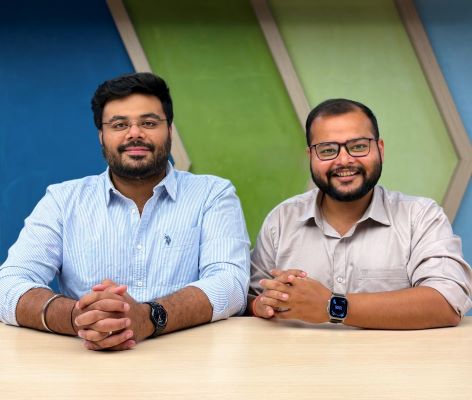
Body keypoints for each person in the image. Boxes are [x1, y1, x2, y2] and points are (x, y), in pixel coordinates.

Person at [0, 72, 250, 350]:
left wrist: (150, 317)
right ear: (101, 135)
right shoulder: (63, 200)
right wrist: (78, 317)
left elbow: (231, 284)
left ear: (169, 130)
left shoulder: (212, 195)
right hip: (87, 361)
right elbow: (8, 284)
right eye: (119, 124)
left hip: (188, 361)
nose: (135, 134)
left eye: (149, 123)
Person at [249, 98, 472, 329]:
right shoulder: (282, 220)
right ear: (311, 157)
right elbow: (249, 299)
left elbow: (446, 302)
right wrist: (261, 304)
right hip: (299, 354)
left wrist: (331, 306)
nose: (344, 160)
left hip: (391, 354)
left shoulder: (420, 217)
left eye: (358, 146)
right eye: (328, 150)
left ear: (380, 149)